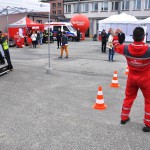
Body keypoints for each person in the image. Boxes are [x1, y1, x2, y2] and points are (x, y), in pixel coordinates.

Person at [113, 27, 150, 132]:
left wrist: (116, 35)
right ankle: (148, 124)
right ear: (143, 37)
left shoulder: (126, 49)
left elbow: (115, 46)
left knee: (128, 98)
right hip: (146, 79)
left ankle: (124, 118)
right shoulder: (148, 50)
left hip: (132, 78)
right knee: (149, 101)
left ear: (133, 37)